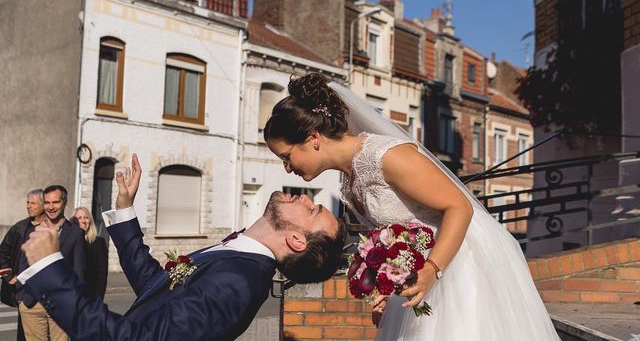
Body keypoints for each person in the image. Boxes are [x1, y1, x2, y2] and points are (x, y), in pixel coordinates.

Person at [264, 73, 561, 341]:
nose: (288, 168)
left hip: (459, 267)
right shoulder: (349, 177)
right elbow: (401, 234)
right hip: (423, 276)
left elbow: (459, 207)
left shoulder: (387, 157)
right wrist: (386, 288)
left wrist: (432, 270)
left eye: (287, 156)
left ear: (313, 138)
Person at [18, 154, 346, 341]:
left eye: (313, 210)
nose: (306, 198)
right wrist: (124, 211)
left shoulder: (239, 283)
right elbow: (155, 286)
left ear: (297, 240)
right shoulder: (238, 257)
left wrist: (51, 270)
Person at [17, 185, 86, 341]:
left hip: (62, 304)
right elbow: (23, 264)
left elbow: (79, 270)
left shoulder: (76, 233)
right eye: (47, 203)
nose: (51, 207)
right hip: (31, 303)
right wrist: (21, 296)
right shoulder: (32, 231)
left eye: (55, 202)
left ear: (64, 202)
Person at [0, 189, 45, 341]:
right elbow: (2, 253)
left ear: (43, 204)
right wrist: (8, 276)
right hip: (25, 292)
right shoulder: (19, 229)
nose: (29, 206)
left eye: (33, 203)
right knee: (24, 335)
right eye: (27, 202)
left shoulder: (51, 227)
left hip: (47, 289)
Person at [74, 207, 108, 299]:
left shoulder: (99, 243)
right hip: (71, 296)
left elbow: (102, 275)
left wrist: (98, 300)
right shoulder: (69, 242)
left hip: (91, 296)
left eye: (86, 217)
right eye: (79, 218)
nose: (83, 221)